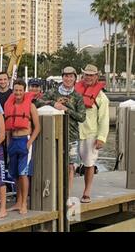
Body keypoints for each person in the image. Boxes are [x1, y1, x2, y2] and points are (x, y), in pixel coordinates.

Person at [34, 67, 86, 196]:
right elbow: (37, 103)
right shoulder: (52, 92)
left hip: (71, 136)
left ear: (75, 78)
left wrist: (65, 109)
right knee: (53, 163)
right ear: (62, 77)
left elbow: (82, 117)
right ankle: (53, 192)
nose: (68, 79)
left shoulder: (78, 96)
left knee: (70, 166)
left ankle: (67, 193)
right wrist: (53, 103)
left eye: (71, 76)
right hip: (53, 135)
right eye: (66, 76)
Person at [4, 79, 40, 214]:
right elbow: (8, 128)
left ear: (24, 91)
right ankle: (18, 202)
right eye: (16, 90)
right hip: (13, 141)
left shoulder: (31, 106)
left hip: (25, 140)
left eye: (20, 90)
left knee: (23, 174)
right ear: (13, 90)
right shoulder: (10, 104)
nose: (17, 93)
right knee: (14, 174)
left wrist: (29, 142)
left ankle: (24, 203)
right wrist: (8, 143)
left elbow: (37, 127)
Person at [75, 64, 109, 203]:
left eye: (91, 75)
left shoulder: (102, 97)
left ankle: (87, 192)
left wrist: (101, 138)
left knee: (89, 164)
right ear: (82, 75)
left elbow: (104, 119)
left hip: (90, 134)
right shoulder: (74, 92)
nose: (88, 77)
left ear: (96, 76)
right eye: (86, 74)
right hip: (74, 132)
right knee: (70, 165)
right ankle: (66, 191)